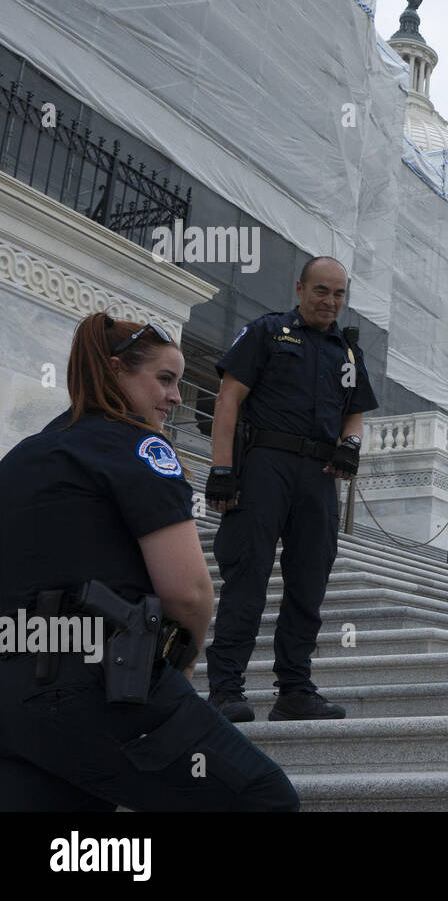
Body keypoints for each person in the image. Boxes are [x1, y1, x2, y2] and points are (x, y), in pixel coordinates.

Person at [0, 313, 298, 810]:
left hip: (13, 696)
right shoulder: (138, 445)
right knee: (264, 800)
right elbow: (189, 592)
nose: (177, 397)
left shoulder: (21, 457)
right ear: (115, 371)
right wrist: (184, 658)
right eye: (164, 379)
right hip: (98, 682)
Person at [204, 257, 378, 722]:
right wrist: (221, 469)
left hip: (318, 475)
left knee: (309, 583)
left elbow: (355, 412)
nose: (330, 301)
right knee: (248, 576)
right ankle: (225, 690)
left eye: (339, 294)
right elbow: (228, 398)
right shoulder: (266, 332)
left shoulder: (348, 352)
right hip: (264, 464)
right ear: (300, 288)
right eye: (322, 291)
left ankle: (295, 690)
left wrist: (351, 446)